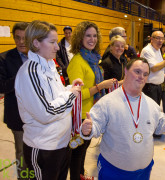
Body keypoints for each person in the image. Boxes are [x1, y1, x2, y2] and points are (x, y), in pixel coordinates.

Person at [80, 58, 165, 180]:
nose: (141, 76)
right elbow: (95, 126)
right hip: (112, 171)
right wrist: (88, 129)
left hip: (143, 172)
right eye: (137, 71)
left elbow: (159, 125)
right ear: (126, 71)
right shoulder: (107, 102)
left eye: (145, 74)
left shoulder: (151, 104)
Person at [14, 20, 83, 180]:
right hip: (43, 147)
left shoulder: (49, 65)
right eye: (52, 42)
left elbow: (55, 97)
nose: (57, 47)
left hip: (60, 143)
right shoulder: (30, 72)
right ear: (36, 43)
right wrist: (71, 94)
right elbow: (46, 112)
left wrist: (68, 89)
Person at [67, 21, 116, 180]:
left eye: (95, 36)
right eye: (88, 35)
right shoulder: (77, 61)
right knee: (77, 154)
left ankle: (80, 175)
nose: (92, 39)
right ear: (80, 38)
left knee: (84, 150)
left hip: (92, 112)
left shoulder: (93, 59)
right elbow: (77, 94)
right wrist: (100, 86)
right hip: (79, 115)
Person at [0, 22, 29, 179]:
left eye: (24, 38)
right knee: (22, 152)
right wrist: (21, 74)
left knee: (36, 150)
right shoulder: (4, 58)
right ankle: (23, 177)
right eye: (17, 38)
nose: (21, 42)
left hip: (37, 114)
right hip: (17, 115)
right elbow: (1, 86)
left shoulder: (37, 56)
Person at [140, 30, 165, 105]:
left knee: (156, 109)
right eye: (158, 38)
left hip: (157, 86)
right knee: (151, 110)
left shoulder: (157, 49)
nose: (160, 41)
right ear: (151, 39)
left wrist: (163, 75)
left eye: (162, 38)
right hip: (149, 87)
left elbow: (157, 66)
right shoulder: (147, 50)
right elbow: (153, 68)